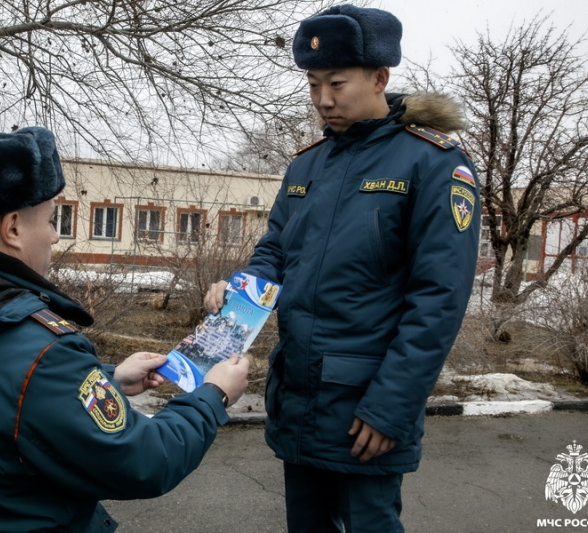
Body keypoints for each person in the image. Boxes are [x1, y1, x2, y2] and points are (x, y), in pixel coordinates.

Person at [0, 126, 248, 532]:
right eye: (53, 219)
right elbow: (144, 461)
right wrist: (214, 395)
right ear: (13, 228)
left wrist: (108, 380)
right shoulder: (39, 351)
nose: (55, 235)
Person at [205, 5, 480, 532]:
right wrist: (238, 292)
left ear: (380, 77)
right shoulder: (307, 164)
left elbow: (438, 299)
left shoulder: (434, 162)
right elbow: (276, 252)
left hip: (365, 409)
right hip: (298, 398)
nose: (323, 100)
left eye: (336, 82)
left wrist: (389, 409)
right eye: (312, 84)